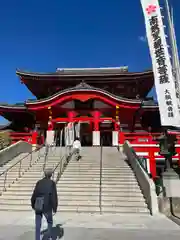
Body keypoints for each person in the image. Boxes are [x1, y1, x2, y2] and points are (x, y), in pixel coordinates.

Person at [31, 168, 58, 240]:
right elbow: (53, 196)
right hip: (47, 206)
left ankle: (37, 238)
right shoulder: (52, 183)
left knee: (38, 224)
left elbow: (34, 194)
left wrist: (33, 204)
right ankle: (47, 237)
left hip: (38, 204)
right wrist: (55, 208)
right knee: (49, 222)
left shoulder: (39, 182)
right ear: (51, 175)